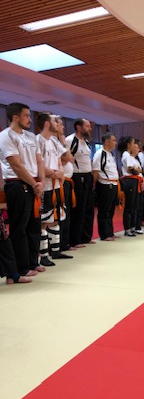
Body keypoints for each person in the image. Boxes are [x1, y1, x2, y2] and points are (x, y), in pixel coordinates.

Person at [0, 103, 45, 282]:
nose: (30, 119)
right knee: (20, 228)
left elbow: (39, 161)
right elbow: (16, 165)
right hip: (17, 184)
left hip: (35, 183)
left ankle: (33, 262)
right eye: (26, 115)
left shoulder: (31, 136)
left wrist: (41, 183)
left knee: (34, 226)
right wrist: (34, 184)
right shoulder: (5, 136)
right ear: (15, 117)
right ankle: (21, 267)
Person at [36, 112, 70, 266]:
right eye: (55, 122)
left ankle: (55, 250)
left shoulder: (55, 141)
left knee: (56, 217)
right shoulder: (38, 140)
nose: (58, 125)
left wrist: (60, 171)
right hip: (46, 185)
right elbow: (39, 163)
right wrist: (54, 173)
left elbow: (60, 160)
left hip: (57, 185)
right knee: (44, 220)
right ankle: (43, 255)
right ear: (47, 124)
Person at [66, 118, 95, 247]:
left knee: (89, 208)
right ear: (78, 127)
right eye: (87, 126)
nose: (90, 128)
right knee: (79, 209)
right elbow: (65, 157)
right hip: (77, 176)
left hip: (88, 175)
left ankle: (86, 237)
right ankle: (75, 240)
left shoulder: (87, 142)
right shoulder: (70, 140)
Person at [92, 133, 119, 241]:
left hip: (114, 184)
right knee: (104, 210)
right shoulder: (100, 154)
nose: (115, 143)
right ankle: (104, 234)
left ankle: (110, 232)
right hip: (105, 184)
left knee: (111, 210)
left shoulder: (110, 154)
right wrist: (94, 185)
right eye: (113, 140)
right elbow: (95, 171)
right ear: (106, 142)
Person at [54, 116, 76, 253]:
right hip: (58, 182)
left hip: (67, 181)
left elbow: (70, 159)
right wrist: (64, 144)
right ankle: (58, 245)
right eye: (61, 125)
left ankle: (64, 243)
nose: (63, 127)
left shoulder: (60, 142)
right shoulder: (55, 142)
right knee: (59, 214)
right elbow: (68, 157)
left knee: (66, 214)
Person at [119, 136, 142, 237]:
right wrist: (137, 170)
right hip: (130, 180)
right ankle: (127, 228)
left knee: (134, 205)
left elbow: (139, 169)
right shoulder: (126, 154)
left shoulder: (130, 156)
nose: (134, 145)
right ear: (129, 145)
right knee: (130, 205)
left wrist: (137, 170)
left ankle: (132, 227)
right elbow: (131, 169)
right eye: (133, 143)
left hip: (134, 180)